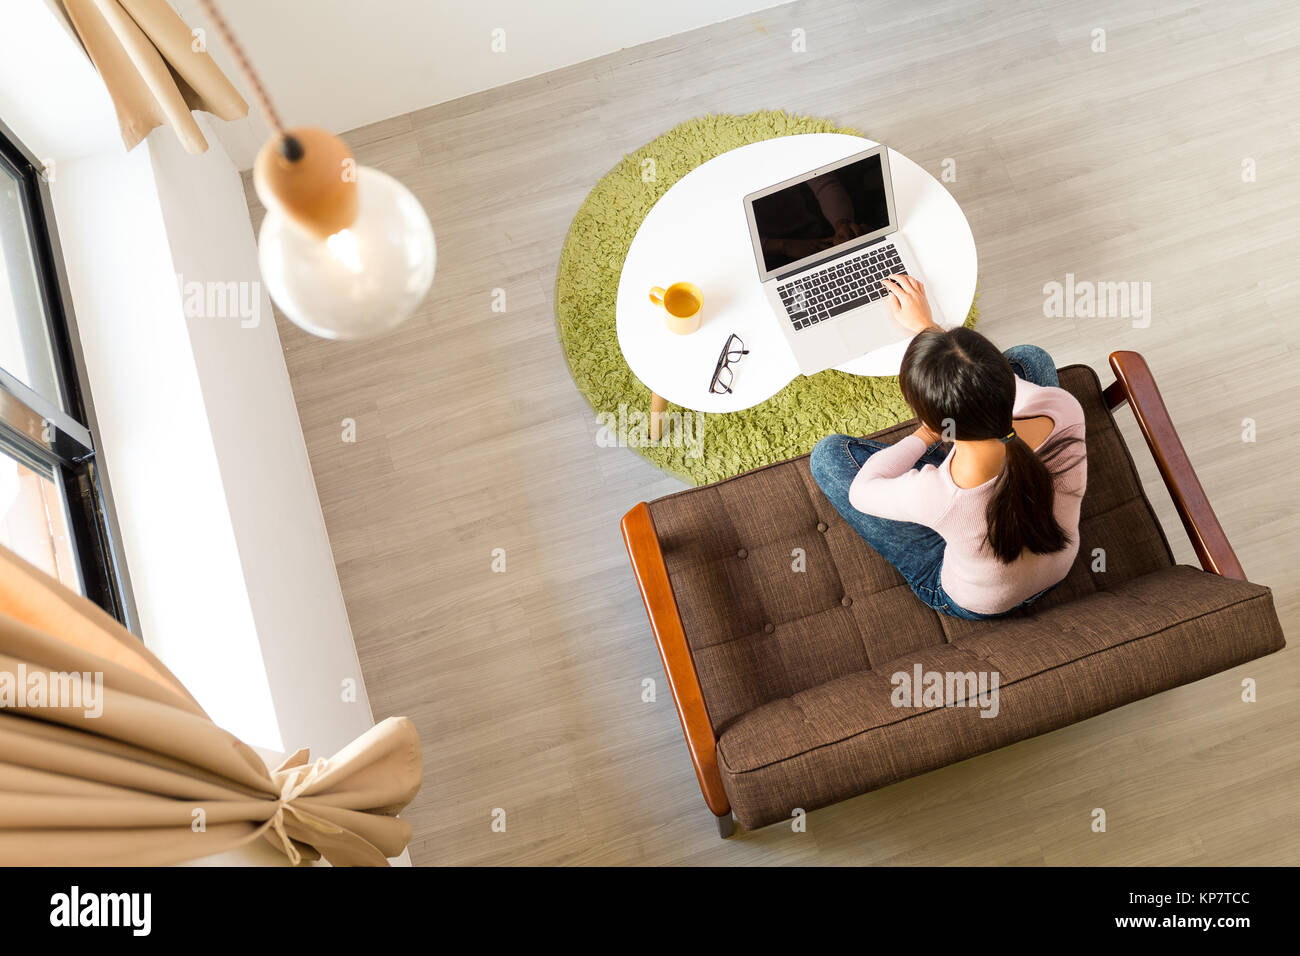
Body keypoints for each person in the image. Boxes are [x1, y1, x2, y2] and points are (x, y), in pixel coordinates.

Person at [809, 274, 1087, 619]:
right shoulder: (1063, 407)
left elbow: (862, 491)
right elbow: (986, 380)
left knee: (827, 457)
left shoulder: (939, 495)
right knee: (1031, 357)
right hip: (1058, 564)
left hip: (978, 599)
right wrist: (927, 327)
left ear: (940, 424)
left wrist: (924, 436)